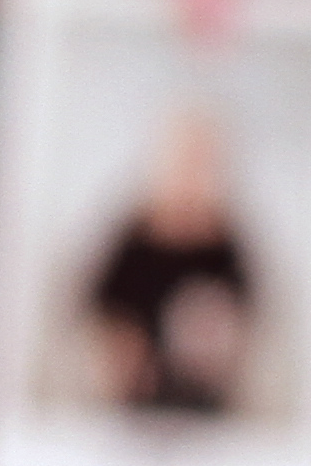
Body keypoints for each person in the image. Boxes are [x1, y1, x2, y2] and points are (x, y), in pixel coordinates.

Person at [85, 102, 258, 417]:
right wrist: (120, 345)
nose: (192, 174)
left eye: (203, 163)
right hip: (129, 404)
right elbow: (97, 306)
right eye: (185, 160)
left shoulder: (228, 243)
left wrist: (220, 346)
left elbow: (249, 317)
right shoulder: (133, 235)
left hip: (205, 407)